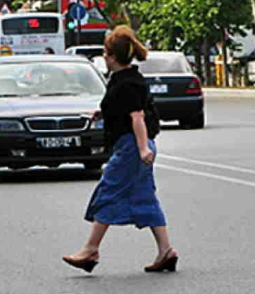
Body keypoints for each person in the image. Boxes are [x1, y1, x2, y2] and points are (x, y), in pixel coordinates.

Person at [62, 25, 178, 273]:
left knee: (109, 190)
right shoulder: (127, 80)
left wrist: (143, 148)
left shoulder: (126, 84)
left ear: (112, 56)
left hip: (131, 147)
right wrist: (103, 113)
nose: (104, 56)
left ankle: (91, 249)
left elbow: (137, 117)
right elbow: (127, 110)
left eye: (106, 52)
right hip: (134, 145)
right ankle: (166, 251)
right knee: (145, 196)